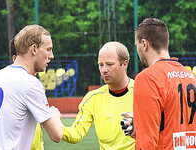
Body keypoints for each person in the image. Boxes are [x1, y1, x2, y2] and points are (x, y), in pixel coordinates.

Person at [123, 18, 196, 149]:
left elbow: (147, 144)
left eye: (137, 46)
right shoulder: (191, 77)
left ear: (144, 44)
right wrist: (139, 127)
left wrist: (143, 129)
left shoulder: (148, 77)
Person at [0, 24, 63, 150]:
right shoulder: (30, 83)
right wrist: (54, 114)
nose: (51, 56)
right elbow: (56, 135)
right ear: (34, 49)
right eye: (48, 49)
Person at [62, 41, 135, 150]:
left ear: (124, 64)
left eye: (109, 64)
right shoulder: (92, 98)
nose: (104, 70)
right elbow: (75, 134)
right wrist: (51, 121)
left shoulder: (142, 91)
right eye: (101, 65)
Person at [9, 38, 44, 150]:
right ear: (15, 58)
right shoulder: (18, 90)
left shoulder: (32, 87)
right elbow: (56, 135)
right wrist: (54, 115)